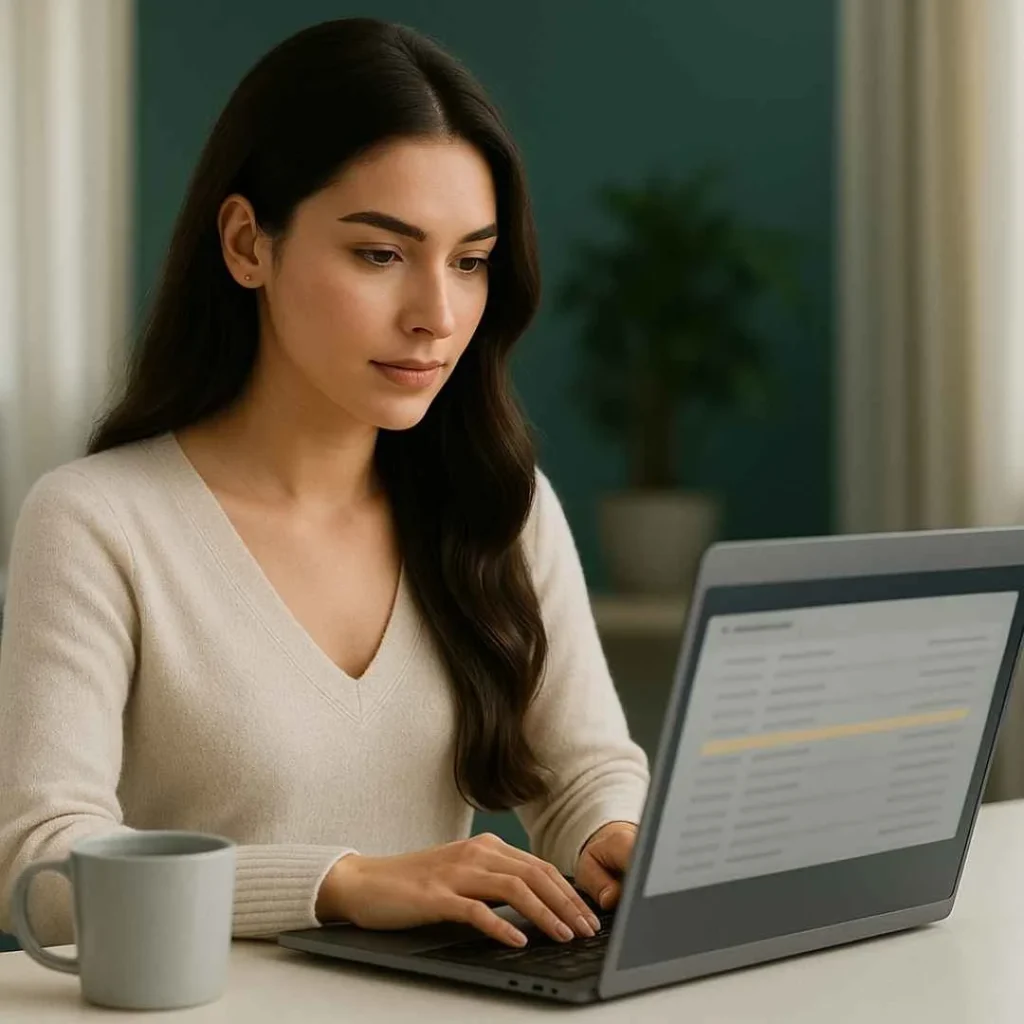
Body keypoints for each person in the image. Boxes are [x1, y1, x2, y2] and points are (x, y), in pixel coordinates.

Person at [0, 17, 649, 951]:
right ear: (246, 244)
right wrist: (342, 884)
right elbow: (45, 869)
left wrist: (614, 840)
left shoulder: (497, 504)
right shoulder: (98, 521)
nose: (436, 314)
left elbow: (584, 769)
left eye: (469, 261)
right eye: (380, 254)